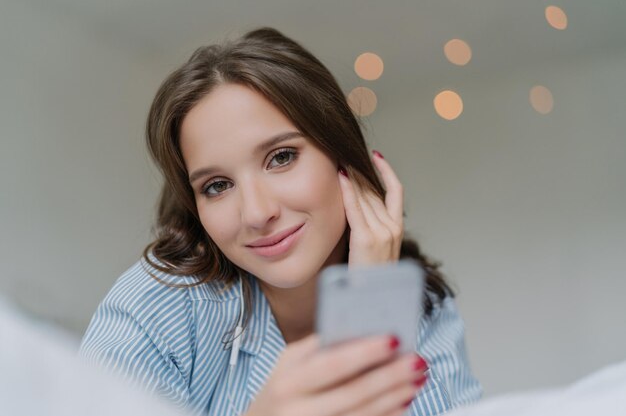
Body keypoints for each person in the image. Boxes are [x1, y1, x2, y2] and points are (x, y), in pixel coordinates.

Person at [80, 27, 482, 416]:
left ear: (341, 154)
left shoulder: (423, 308)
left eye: (282, 157)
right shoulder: (155, 307)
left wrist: (369, 306)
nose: (256, 213)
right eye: (217, 185)